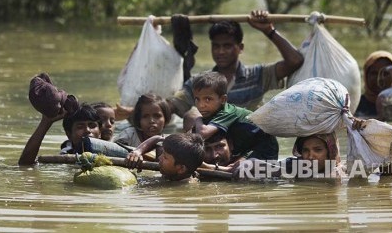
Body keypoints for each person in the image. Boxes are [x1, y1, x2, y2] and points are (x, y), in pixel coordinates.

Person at [115, 9, 304, 122]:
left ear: (240, 48)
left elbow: (295, 61)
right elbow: (171, 106)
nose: (221, 52)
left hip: (246, 142)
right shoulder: (199, 82)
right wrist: (137, 112)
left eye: (227, 46)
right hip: (213, 148)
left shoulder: (258, 75)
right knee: (191, 117)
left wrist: (269, 30)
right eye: (216, 46)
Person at [191, 71, 279, 171]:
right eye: (197, 99)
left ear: (223, 99)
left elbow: (202, 133)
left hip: (265, 147)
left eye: (207, 99)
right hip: (249, 144)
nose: (201, 105)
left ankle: (215, 168)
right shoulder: (213, 112)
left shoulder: (227, 112)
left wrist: (197, 119)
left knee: (239, 169)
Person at [19, 103, 102, 165]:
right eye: (80, 127)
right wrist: (46, 122)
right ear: (69, 134)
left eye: (92, 126)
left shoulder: (112, 152)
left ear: (100, 133)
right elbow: (25, 165)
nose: (87, 130)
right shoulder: (65, 157)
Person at [124, 133, 205, 182]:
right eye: (162, 153)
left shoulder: (184, 190)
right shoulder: (171, 169)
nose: (159, 158)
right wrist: (138, 151)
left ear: (181, 169)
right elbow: (158, 139)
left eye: (165, 157)